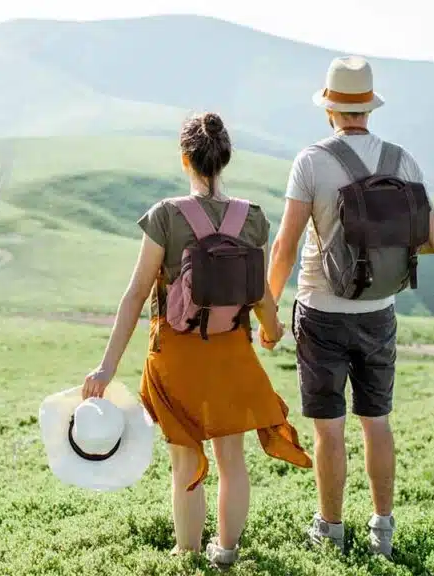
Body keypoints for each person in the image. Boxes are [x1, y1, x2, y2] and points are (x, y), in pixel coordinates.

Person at [82, 112, 313, 568]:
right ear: (225, 158)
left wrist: (106, 368)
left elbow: (135, 295)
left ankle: (186, 555)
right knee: (232, 461)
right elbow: (262, 297)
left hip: (176, 357)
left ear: (185, 158)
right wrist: (270, 332)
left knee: (185, 464)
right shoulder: (252, 219)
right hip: (231, 354)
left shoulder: (166, 217)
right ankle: (225, 552)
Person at [265, 55, 434, 559]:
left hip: (321, 311)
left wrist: (269, 310)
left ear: (329, 108)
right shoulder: (401, 160)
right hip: (379, 312)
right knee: (377, 420)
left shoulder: (312, 161)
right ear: (369, 107)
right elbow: (433, 241)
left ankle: (330, 530)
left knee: (329, 427)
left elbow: (286, 245)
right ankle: (382, 529)